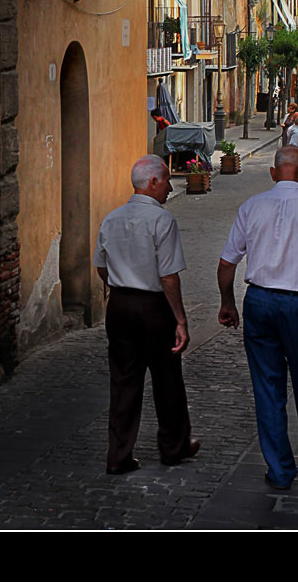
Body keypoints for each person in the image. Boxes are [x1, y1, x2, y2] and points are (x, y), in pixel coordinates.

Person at [217, 143, 298, 490]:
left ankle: (279, 470)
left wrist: (227, 303)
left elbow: (227, 263)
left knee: (268, 388)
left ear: (273, 173)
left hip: (260, 304)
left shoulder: (251, 207)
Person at [93, 155, 198, 475]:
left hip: (120, 304)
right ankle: (173, 446)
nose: (169, 186)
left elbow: (100, 266)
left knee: (124, 380)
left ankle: (119, 454)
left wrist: (118, 286)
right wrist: (180, 318)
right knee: (167, 378)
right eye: (166, 180)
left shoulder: (111, 218)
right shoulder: (161, 220)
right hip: (153, 307)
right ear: (152, 182)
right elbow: (168, 276)